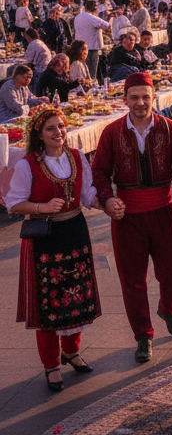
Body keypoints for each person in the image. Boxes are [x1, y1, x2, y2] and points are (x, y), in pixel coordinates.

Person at [92, 72, 172, 363]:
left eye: (145, 97)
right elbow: (100, 171)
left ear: (154, 98)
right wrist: (108, 198)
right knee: (132, 279)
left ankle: (168, 309)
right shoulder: (111, 132)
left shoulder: (170, 128)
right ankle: (143, 335)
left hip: (164, 210)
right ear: (124, 99)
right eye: (134, 97)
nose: (140, 103)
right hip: (127, 217)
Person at [11, 105, 103, 392]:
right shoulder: (28, 164)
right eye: (51, 128)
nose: (59, 132)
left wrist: (103, 203)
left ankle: (72, 352)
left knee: (76, 298)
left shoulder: (76, 157)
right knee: (49, 304)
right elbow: (14, 202)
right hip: (45, 238)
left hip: (75, 231)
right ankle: (51, 365)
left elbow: (87, 192)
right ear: (39, 134)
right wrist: (41, 207)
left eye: (61, 126)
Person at [73, 0, 109, 80]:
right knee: (91, 74)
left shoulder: (78, 17)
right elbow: (106, 25)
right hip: (92, 48)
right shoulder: (92, 18)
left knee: (83, 72)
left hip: (80, 47)